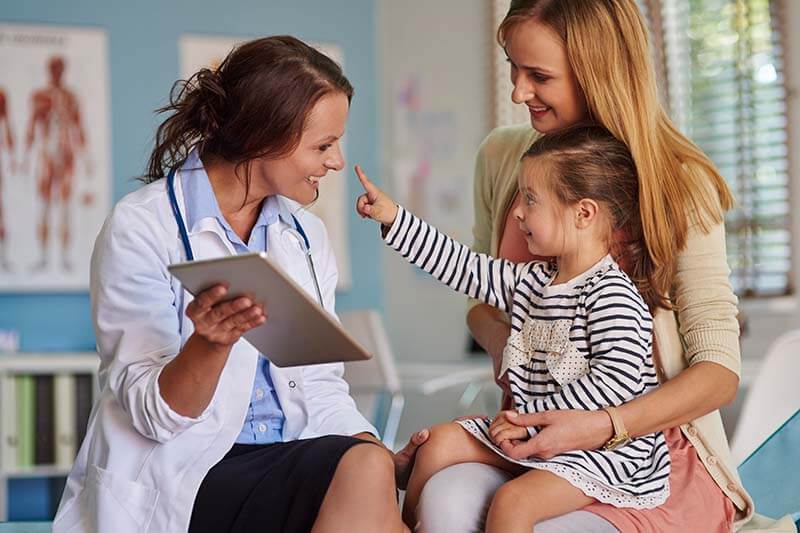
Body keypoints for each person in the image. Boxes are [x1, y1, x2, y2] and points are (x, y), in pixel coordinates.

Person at [413, 1, 795, 532]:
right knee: (443, 498)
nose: (518, 92)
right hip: (533, 440)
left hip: (646, 457)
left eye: (539, 76)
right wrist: (509, 345)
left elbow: (718, 375)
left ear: (599, 74)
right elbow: (483, 302)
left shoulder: (679, 183)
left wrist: (600, 425)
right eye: (512, 68)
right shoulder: (504, 157)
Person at [52, 36, 423, 533]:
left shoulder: (306, 236)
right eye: (323, 145)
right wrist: (209, 344)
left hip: (285, 458)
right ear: (263, 136)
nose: (336, 162)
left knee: (368, 465)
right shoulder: (141, 226)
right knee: (371, 486)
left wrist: (375, 448)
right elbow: (153, 417)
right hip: (186, 474)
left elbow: (319, 388)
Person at [356, 125, 672, 532]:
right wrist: (395, 219)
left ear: (584, 213)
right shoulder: (531, 280)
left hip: (598, 453)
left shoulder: (612, 295)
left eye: (531, 199)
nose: (518, 211)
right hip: (532, 433)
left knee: (513, 503)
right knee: (433, 446)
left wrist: (530, 418)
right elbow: (462, 267)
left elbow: (614, 384)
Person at [24, 56, 92, 271]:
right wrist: (26, 157)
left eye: (59, 68)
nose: (56, 72)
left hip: (66, 155)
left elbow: (79, 127)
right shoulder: (40, 96)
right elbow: (32, 125)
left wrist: (87, 158)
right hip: (47, 154)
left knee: (64, 207)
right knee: (44, 206)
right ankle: (43, 257)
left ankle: (64, 257)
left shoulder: (71, 97)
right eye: (53, 68)